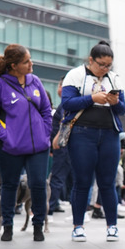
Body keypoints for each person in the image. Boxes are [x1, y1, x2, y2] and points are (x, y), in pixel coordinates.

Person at [60, 40, 125, 242]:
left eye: (108, 65)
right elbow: (66, 103)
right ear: (91, 60)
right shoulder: (76, 74)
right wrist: (92, 98)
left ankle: (112, 226)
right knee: (82, 181)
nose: (104, 69)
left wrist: (115, 102)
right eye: (101, 64)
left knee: (108, 182)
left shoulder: (114, 78)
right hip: (82, 132)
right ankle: (78, 225)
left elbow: (122, 110)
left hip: (109, 134)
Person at [0, 44, 53, 242]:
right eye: (26, 61)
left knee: (38, 184)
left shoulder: (35, 81)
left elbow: (47, 111)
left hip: (38, 146)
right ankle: (7, 225)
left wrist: (45, 133)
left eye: (30, 59)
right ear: (14, 65)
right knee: (10, 185)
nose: (31, 64)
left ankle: (38, 225)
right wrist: (6, 136)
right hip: (9, 147)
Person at [49, 83, 73, 215]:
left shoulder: (67, 103)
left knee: (58, 178)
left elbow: (66, 122)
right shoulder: (64, 104)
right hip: (65, 146)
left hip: (64, 145)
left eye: (61, 86)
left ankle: (50, 209)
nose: (59, 89)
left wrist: (59, 140)